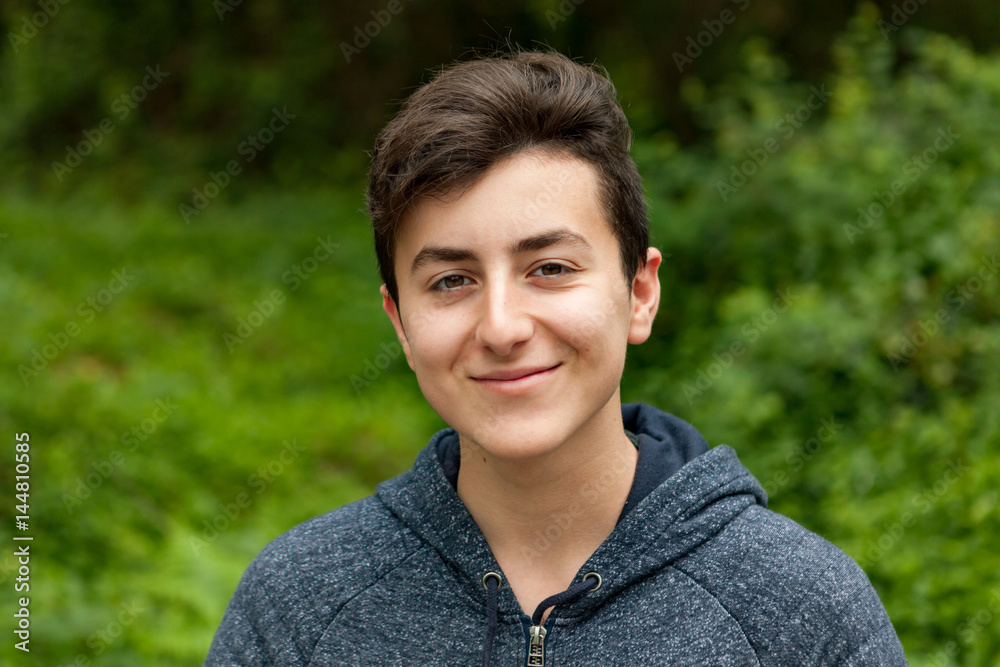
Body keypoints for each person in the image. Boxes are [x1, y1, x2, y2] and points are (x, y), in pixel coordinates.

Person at [205, 48, 906, 666]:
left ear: (639, 292)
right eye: (452, 280)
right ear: (401, 323)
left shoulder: (802, 611)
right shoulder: (298, 605)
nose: (502, 326)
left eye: (550, 268)